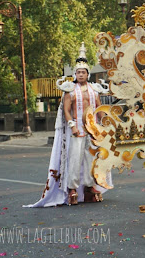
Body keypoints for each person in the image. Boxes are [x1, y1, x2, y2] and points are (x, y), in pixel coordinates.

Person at [25, 43, 109, 207]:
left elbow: (99, 109)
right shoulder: (70, 90)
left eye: (83, 72)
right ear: (75, 74)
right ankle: (72, 189)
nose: (81, 74)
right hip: (76, 130)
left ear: (88, 74)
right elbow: (66, 110)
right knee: (75, 160)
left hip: (92, 130)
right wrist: (72, 126)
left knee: (92, 159)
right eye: (78, 72)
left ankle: (90, 187)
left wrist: (104, 125)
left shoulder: (94, 90)